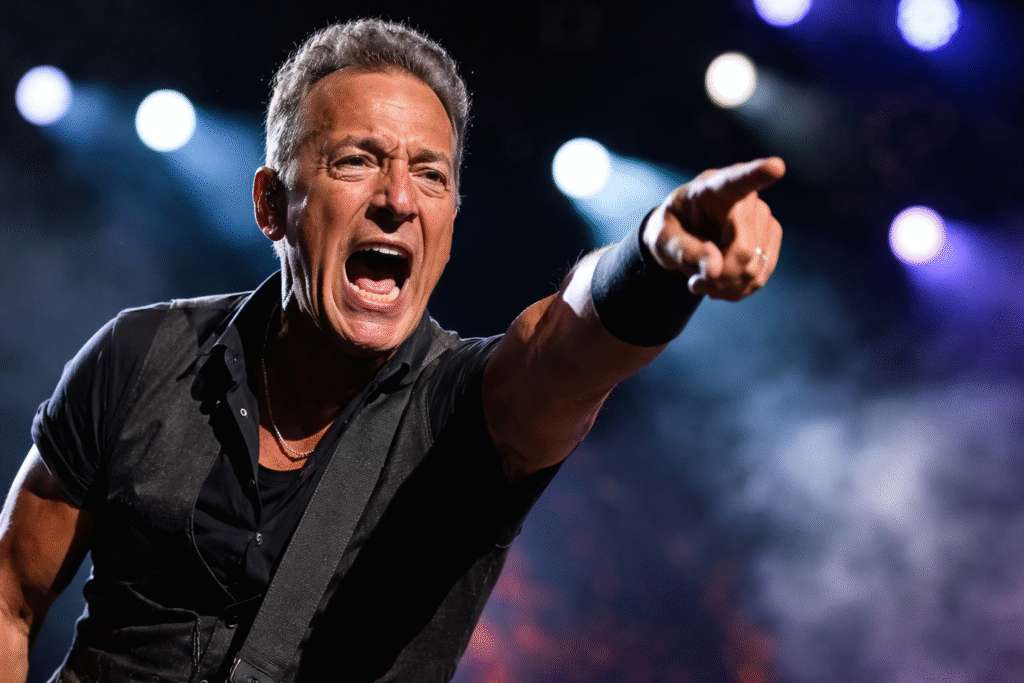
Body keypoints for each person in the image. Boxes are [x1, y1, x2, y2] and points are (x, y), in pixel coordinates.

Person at [0, 18, 784, 683]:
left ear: (449, 224)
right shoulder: (140, 354)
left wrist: (652, 256)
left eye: (430, 175)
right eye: (357, 160)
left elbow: (561, 341)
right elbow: (11, 594)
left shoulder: (472, 413)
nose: (398, 200)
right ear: (272, 204)